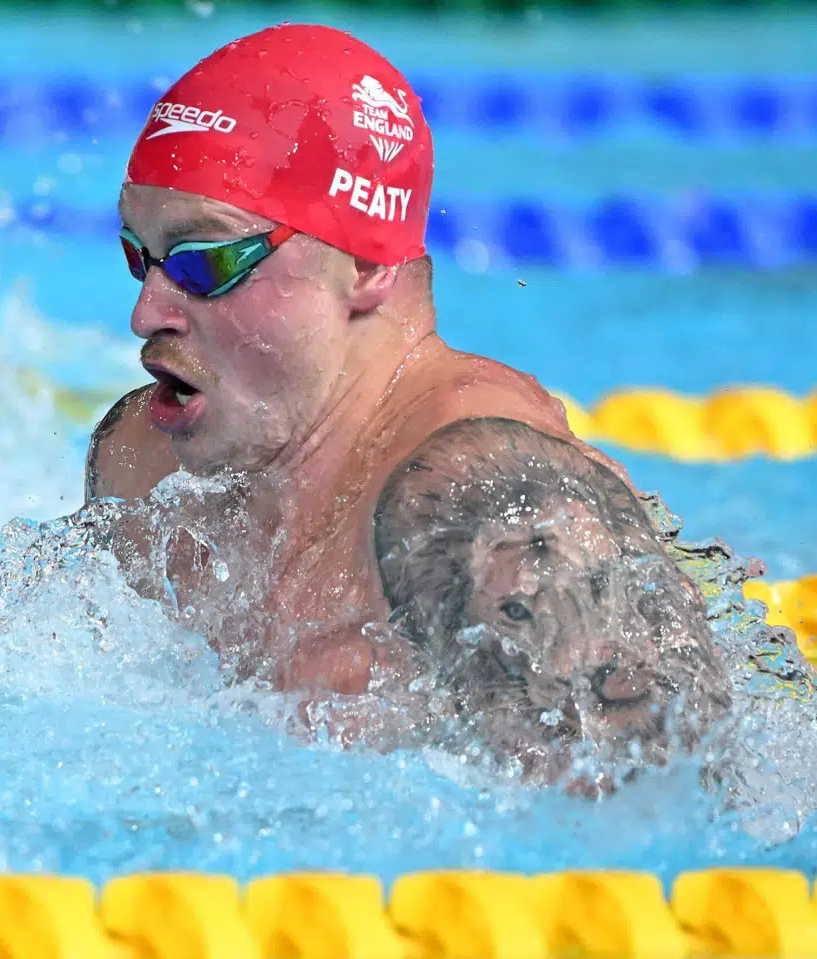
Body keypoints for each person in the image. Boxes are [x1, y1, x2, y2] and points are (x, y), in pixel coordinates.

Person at [83, 23, 729, 780]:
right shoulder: (148, 466)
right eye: (141, 257)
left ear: (362, 263)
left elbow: (658, 817)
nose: (146, 311)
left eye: (206, 261)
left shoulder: (492, 506)